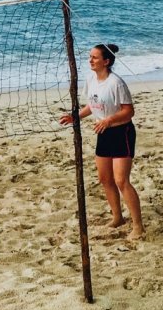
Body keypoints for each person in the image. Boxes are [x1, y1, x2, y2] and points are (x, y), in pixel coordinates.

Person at [59, 43, 144, 241]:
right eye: (90, 56)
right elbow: (92, 105)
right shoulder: (91, 80)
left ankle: (138, 226)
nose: (90, 60)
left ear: (106, 61)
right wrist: (75, 116)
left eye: (95, 57)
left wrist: (109, 120)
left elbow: (129, 111)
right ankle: (117, 218)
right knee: (105, 179)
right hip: (103, 132)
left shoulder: (116, 83)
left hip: (121, 131)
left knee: (121, 180)